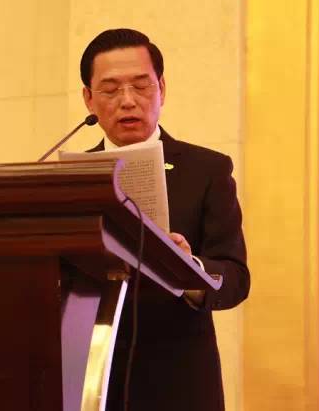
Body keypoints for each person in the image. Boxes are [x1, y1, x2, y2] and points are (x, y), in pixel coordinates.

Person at [80, 28, 250, 410]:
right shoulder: (72, 178)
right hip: (91, 380)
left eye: (141, 86)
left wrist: (189, 268)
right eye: (110, 89)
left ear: (162, 89)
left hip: (179, 382)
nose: (128, 101)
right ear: (89, 99)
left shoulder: (206, 170)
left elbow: (236, 279)